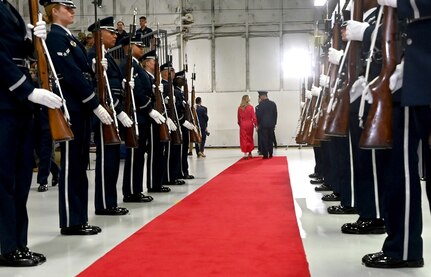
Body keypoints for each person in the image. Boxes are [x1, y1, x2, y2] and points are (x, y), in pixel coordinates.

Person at [362, 0, 431, 268]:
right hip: (415, 74)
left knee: (399, 171)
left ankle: (404, 247)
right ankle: (399, 246)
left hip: (419, 75)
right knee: (392, 172)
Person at [41, 0, 113, 234]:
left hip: (79, 106)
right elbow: (70, 75)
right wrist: (93, 102)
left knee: (80, 164)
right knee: (72, 165)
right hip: (72, 106)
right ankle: (71, 221)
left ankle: (79, 218)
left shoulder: (69, 37)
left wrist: (96, 68)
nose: (73, 11)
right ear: (54, 11)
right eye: (67, 8)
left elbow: (81, 72)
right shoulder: (55, 37)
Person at [0, 0, 62, 266]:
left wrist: (31, 39)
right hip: (4, 102)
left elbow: (16, 51)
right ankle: (6, 247)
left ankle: (19, 243)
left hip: (19, 105)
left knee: (22, 177)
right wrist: (28, 89)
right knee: (4, 181)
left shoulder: (7, 7)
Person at [87, 16, 130, 216]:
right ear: (98, 34)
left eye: (114, 32)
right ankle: (104, 204)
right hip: (103, 114)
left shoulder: (108, 56)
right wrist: (96, 69)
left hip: (112, 111)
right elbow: (95, 87)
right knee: (105, 162)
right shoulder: (91, 56)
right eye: (110, 32)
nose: (114, 35)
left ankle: (110, 202)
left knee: (112, 162)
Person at [119, 39, 154, 203]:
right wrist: (149, 108)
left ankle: (136, 190)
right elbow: (137, 92)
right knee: (135, 156)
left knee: (139, 156)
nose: (141, 48)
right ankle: (131, 191)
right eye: (138, 46)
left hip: (142, 116)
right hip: (136, 116)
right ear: (128, 47)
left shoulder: (135, 65)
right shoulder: (128, 65)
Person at [34, 105, 60, 192]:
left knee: (45, 151)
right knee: (39, 152)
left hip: (48, 118)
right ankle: (57, 172)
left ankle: (43, 181)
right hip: (34, 119)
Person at [255, 91, 277, 159]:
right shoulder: (273, 104)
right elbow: (275, 115)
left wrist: (257, 125)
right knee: (270, 139)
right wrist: (274, 124)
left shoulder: (260, 105)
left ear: (262, 96)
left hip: (263, 125)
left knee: (264, 140)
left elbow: (258, 116)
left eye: (259, 96)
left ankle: (265, 155)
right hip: (271, 125)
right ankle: (270, 153)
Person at [237, 94, 256, 159]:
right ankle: (250, 153)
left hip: (243, 124)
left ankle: (245, 153)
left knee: (243, 139)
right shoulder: (251, 107)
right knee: (250, 138)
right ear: (248, 99)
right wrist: (255, 124)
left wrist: (240, 124)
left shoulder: (239, 108)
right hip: (250, 124)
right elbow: (254, 117)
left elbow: (239, 118)